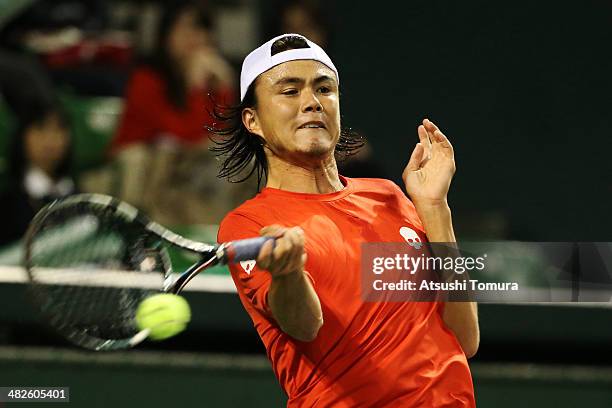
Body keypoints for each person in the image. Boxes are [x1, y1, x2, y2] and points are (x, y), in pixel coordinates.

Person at [215, 34, 479, 406]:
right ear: (252, 120)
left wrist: (434, 207)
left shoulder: (388, 197)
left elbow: (465, 337)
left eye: (324, 89)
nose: (311, 102)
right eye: (289, 91)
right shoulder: (248, 225)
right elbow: (304, 326)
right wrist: (287, 273)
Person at [111, 1, 234, 150]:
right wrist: (196, 88)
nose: (196, 38)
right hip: (141, 165)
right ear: (166, 35)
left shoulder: (211, 79)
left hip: (187, 168)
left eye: (202, 29)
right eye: (186, 28)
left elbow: (222, 137)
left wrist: (224, 88)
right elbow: (184, 139)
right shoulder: (145, 80)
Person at [0, 100, 75, 245]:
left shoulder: (80, 197)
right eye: (41, 128)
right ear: (22, 135)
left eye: (59, 129)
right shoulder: (6, 204)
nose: (51, 139)